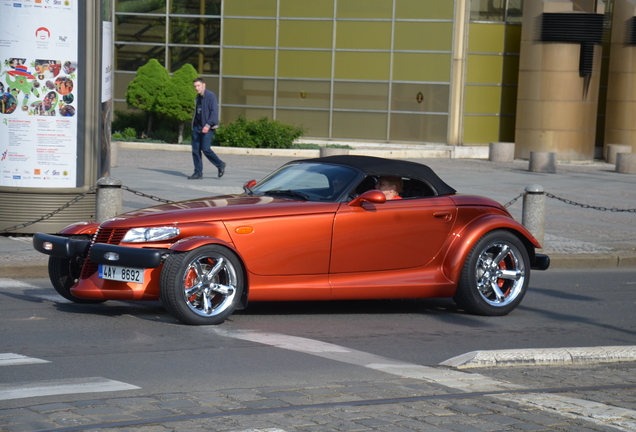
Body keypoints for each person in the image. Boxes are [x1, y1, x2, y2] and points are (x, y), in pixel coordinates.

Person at [188, 77, 226, 179]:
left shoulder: (210, 96)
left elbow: (214, 112)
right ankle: (198, 173)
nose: (196, 88)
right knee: (195, 151)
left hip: (207, 127)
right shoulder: (198, 98)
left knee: (205, 149)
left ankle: (220, 164)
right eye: (195, 86)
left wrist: (208, 125)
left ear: (204, 85)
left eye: (198, 86)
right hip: (197, 127)